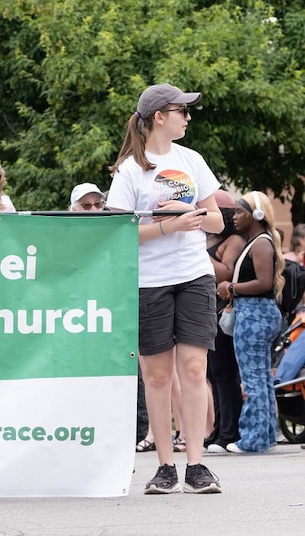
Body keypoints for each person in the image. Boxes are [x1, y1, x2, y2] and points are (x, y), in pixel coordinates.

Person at [107, 83, 224, 494]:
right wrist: (166, 226)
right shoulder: (129, 170)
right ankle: (164, 466)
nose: (187, 118)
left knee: (194, 370)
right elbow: (117, 234)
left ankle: (197, 464)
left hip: (194, 275)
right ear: (160, 116)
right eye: (182, 111)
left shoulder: (191, 159)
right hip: (148, 282)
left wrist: (188, 213)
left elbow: (217, 222)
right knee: (157, 378)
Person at [216, 191, 284, 453]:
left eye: (239, 212)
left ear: (257, 215)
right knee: (262, 378)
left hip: (254, 315)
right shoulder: (260, 241)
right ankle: (265, 435)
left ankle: (254, 439)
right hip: (260, 313)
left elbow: (264, 283)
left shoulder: (260, 243)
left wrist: (231, 287)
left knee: (253, 379)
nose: (234, 216)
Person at [204, 190, 245, 452]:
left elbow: (226, 273)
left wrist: (198, 250)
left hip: (225, 310)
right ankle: (219, 429)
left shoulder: (234, 240)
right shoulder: (210, 238)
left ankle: (230, 432)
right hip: (207, 308)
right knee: (212, 373)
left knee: (225, 373)